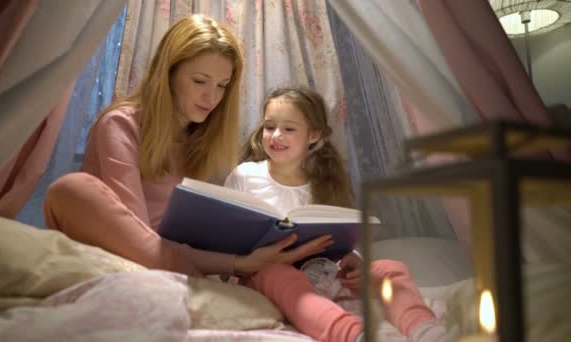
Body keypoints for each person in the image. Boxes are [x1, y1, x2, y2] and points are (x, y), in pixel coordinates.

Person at [43, 14, 332, 278]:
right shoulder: (120, 124)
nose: (211, 97)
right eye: (200, 81)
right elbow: (138, 236)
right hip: (124, 253)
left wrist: (243, 259)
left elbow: (186, 236)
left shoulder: (202, 139)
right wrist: (234, 264)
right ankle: (193, 281)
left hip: (173, 261)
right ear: (168, 74)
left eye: (222, 85)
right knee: (71, 189)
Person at [225, 86, 445, 342]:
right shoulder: (246, 175)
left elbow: (342, 237)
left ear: (313, 134)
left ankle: (424, 329)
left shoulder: (325, 182)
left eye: (289, 129)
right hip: (264, 275)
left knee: (390, 268)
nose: (275, 135)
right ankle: (352, 334)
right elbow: (228, 242)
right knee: (279, 275)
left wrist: (354, 259)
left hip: (321, 273)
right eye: (269, 126)